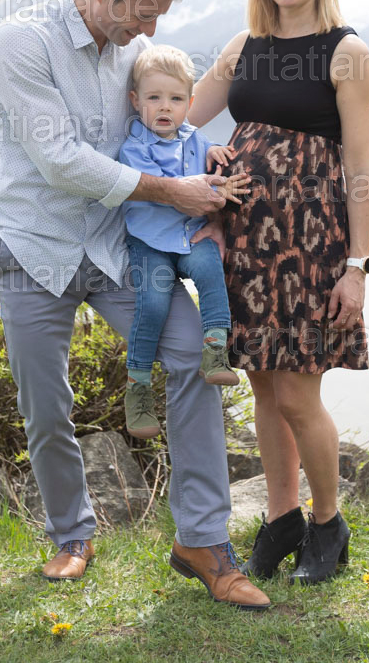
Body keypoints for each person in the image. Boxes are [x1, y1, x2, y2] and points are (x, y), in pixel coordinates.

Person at [0, 0, 269, 611]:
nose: (151, 29)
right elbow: (61, 162)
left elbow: (171, 123)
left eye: (159, 16)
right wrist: (172, 192)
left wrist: (205, 161)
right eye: (144, 12)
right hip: (30, 249)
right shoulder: (21, 43)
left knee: (195, 357)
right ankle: (72, 533)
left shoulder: (135, 53)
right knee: (45, 404)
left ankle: (202, 541)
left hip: (117, 248)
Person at [189, 0, 369, 585]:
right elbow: (177, 117)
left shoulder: (347, 52)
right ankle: (281, 518)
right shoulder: (243, 46)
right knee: (264, 387)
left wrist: (356, 267)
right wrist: (201, 153)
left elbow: (361, 167)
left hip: (311, 245)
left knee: (298, 394)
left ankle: (327, 523)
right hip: (245, 242)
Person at [118, 44, 247, 440]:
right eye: (154, 98)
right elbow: (165, 187)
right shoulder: (133, 148)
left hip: (192, 233)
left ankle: (215, 350)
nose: (164, 107)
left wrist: (218, 158)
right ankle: (138, 387)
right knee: (153, 304)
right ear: (135, 101)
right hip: (150, 242)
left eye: (175, 99)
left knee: (211, 272)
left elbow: (208, 166)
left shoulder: (197, 140)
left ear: (189, 103)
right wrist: (203, 186)